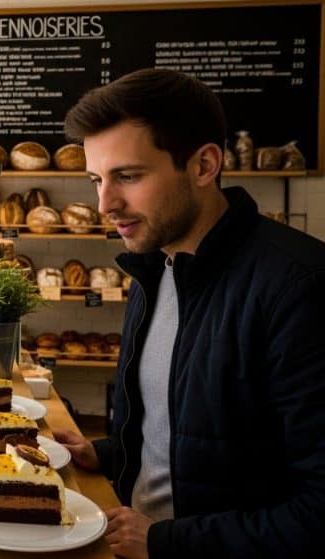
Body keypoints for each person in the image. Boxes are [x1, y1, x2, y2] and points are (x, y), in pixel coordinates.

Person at [53, 68, 325, 558]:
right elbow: (186, 428)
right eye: (96, 179)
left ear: (204, 165)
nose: (104, 203)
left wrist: (164, 540)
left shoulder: (299, 288)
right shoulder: (156, 267)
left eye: (128, 177)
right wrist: (108, 453)